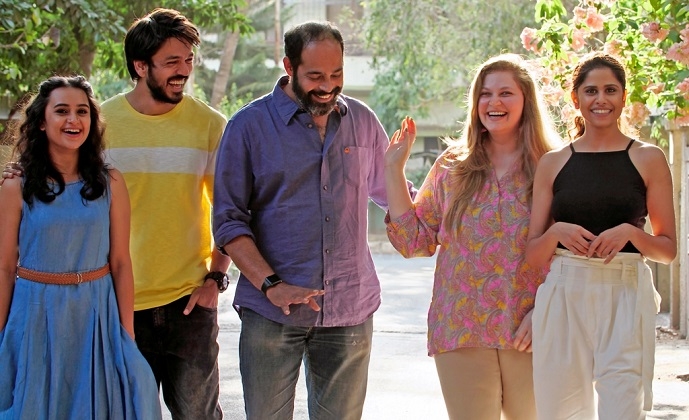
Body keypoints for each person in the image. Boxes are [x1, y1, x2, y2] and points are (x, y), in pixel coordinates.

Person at [213, 21, 412, 420]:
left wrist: (442, 198)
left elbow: (391, 194)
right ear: (289, 66)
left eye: (336, 74)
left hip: (349, 309)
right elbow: (228, 221)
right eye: (316, 76)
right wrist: (272, 285)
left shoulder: (362, 120)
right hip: (272, 311)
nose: (328, 86)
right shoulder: (248, 127)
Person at [384, 53, 558, 420]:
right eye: (485, 94)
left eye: (506, 93)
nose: (494, 102)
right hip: (461, 327)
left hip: (532, 328)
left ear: (526, 100)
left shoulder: (554, 165)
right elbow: (414, 241)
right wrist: (393, 170)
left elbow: (570, 253)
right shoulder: (453, 166)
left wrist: (547, 309)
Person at [526, 52, 677, 419]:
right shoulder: (553, 162)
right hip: (564, 292)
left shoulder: (648, 158)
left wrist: (630, 233)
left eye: (610, 90)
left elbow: (667, 250)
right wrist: (556, 232)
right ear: (575, 99)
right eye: (591, 91)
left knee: (623, 409)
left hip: (626, 292)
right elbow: (532, 255)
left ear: (624, 97)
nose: (601, 99)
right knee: (560, 412)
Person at [0, 75, 162, 419]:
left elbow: (121, 262)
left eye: (82, 111)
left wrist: (126, 334)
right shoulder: (15, 185)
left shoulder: (110, 181)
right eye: (62, 111)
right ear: (41, 121)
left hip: (95, 314)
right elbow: (4, 267)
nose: (73, 120)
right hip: (34, 313)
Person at [100, 9, 232, 419]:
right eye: (172, 62)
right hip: (117, 302)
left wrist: (215, 278)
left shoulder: (210, 125)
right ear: (141, 66)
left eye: (188, 60)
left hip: (188, 305)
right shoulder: (101, 124)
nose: (184, 71)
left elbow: (230, 210)